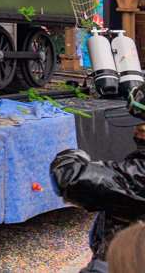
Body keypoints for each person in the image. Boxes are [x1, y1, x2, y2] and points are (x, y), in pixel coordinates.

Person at [51, 85, 145, 271]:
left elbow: (70, 177)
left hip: (124, 262)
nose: (137, 129)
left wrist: (75, 156)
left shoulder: (139, 176)